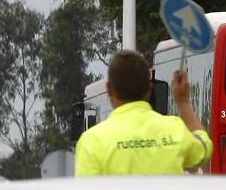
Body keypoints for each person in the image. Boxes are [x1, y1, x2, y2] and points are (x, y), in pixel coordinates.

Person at [74, 49, 211, 176]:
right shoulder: (174, 129)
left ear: (109, 89)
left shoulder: (92, 141)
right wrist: (183, 103)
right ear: (150, 89)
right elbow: (204, 148)